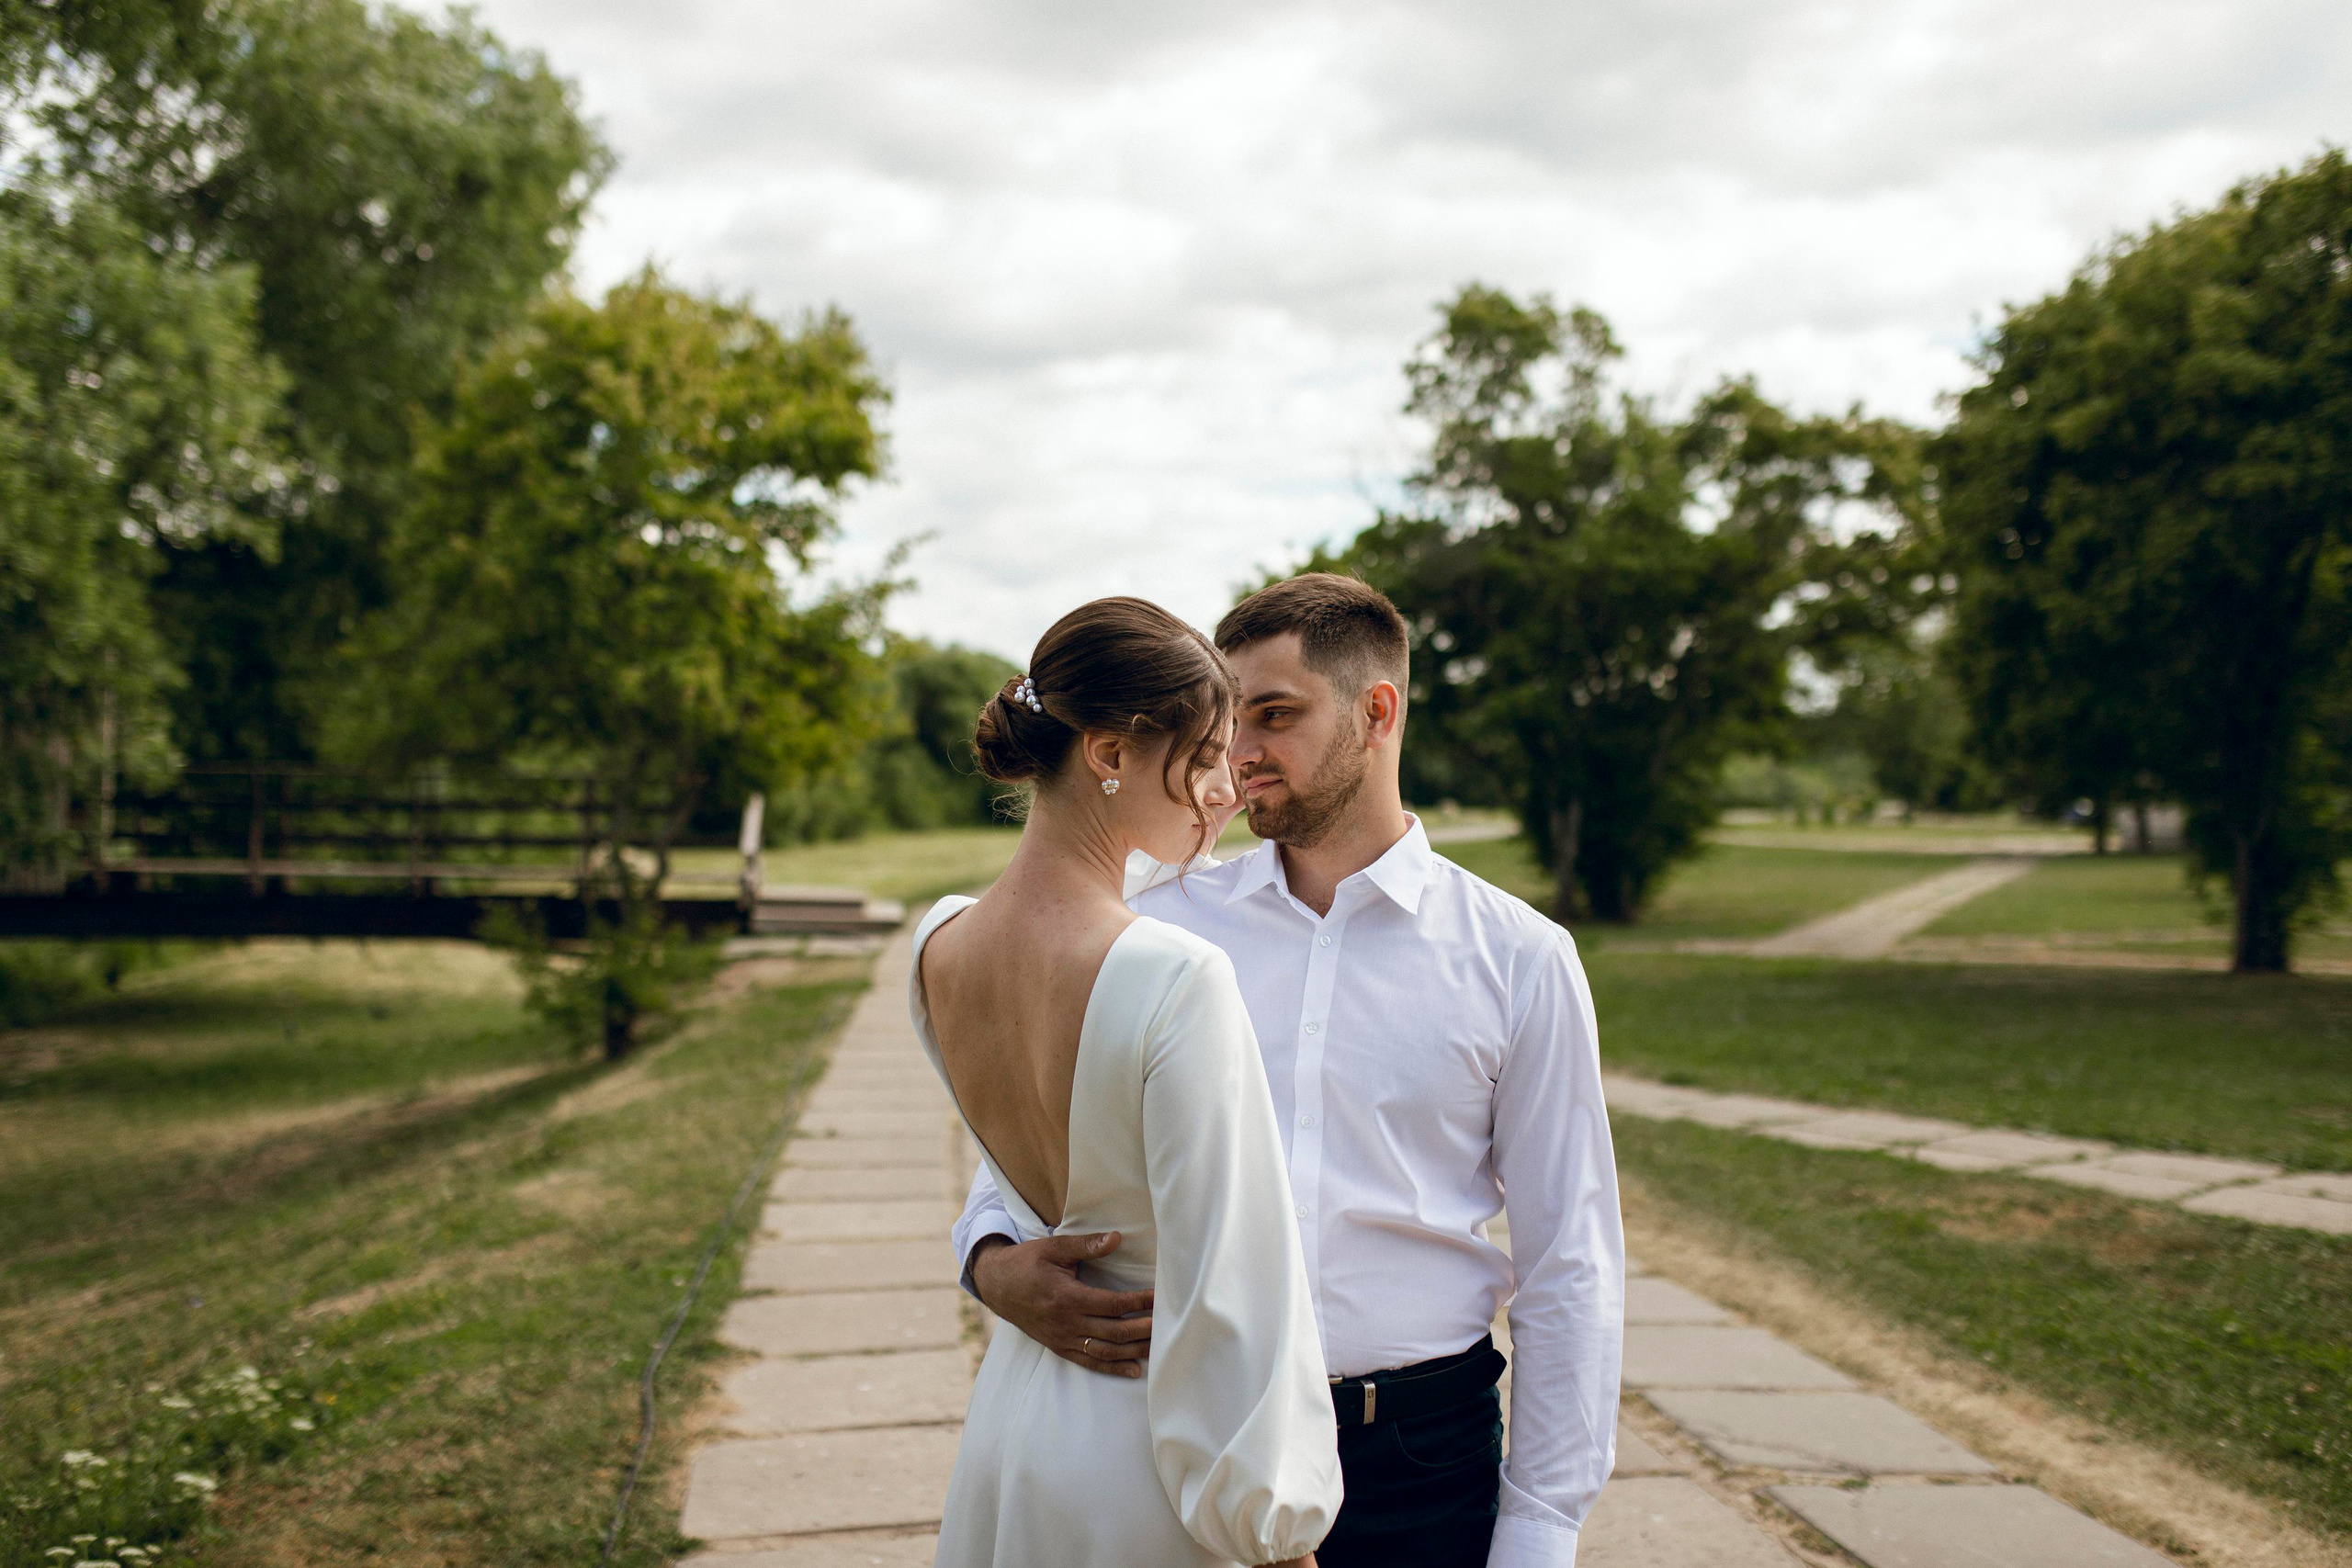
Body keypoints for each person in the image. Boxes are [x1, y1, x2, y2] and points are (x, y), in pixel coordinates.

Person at [954, 573, 1623, 1568]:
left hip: (1419, 1458)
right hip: (1181, 1446)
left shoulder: (1517, 958)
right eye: (1228, 721)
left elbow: (1571, 1261)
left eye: (1274, 715)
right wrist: (991, 1262)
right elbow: (1024, 1154)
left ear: (1377, 712)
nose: (1238, 755)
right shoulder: (1156, 929)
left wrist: (1538, 1529)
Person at [912, 596, 1342, 1568]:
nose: (1223, 792)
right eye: (1201, 759)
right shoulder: (1174, 976)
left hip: (1014, 1426)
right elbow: (1234, 1282)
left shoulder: (939, 943)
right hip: (1149, 1471)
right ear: (1108, 756)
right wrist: (1272, 1528)